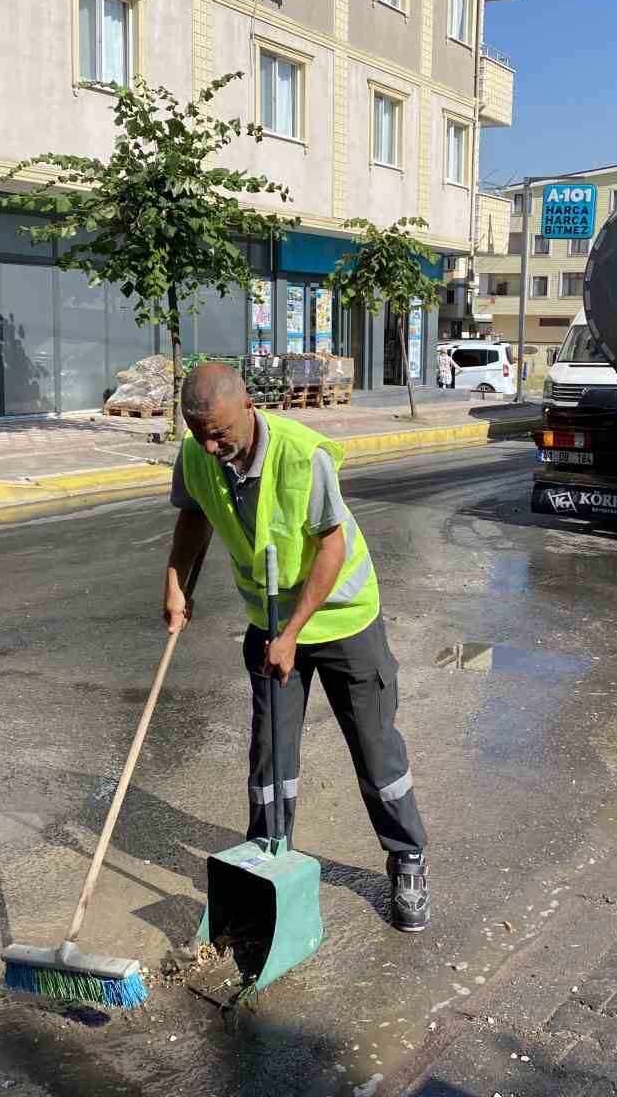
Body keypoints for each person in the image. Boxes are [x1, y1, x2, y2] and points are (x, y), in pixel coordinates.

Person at [162, 362, 431, 932]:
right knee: (270, 752)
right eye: (197, 431)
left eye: (219, 433)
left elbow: (331, 548)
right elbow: (192, 518)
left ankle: (406, 857)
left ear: (249, 408)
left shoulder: (302, 454)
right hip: (269, 620)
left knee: (375, 749)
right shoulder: (197, 454)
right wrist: (175, 584)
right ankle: (266, 858)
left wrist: (291, 636)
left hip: (341, 620)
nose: (209, 446)